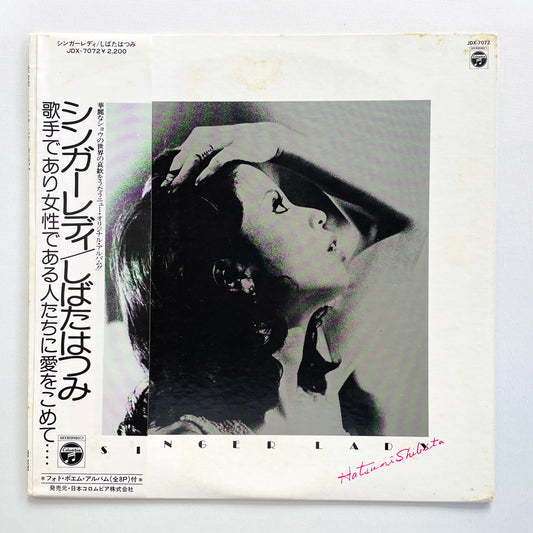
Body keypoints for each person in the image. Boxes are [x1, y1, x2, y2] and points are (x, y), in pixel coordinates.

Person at [113, 121, 426, 436]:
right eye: (278, 206)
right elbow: (400, 228)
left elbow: (406, 227)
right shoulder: (190, 436)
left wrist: (279, 141)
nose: (317, 215)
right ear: (234, 275)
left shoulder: (316, 383)